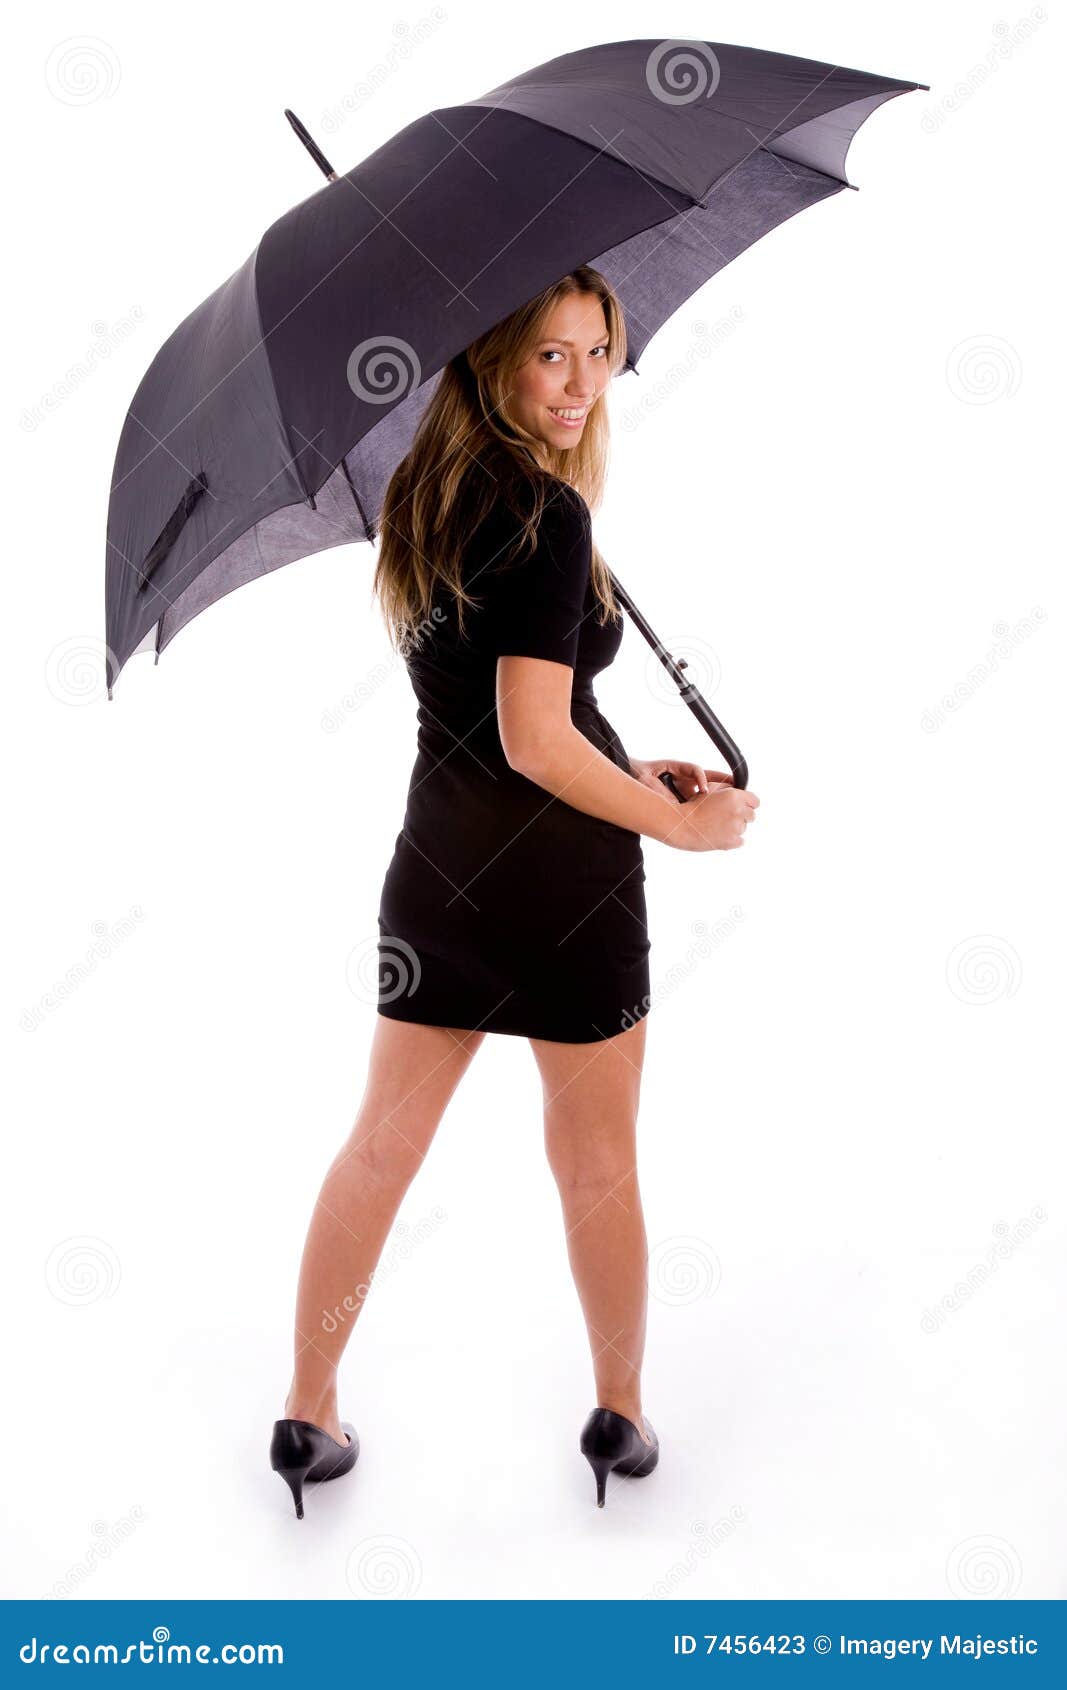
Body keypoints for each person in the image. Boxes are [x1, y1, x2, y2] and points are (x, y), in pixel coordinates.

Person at [269, 266, 759, 1517]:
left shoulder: (425, 497)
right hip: (561, 889)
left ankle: (304, 1411)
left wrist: (627, 760)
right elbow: (535, 741)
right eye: (551, 356)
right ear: (493, 361)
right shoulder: (546, 515)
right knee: (596, 1163)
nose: (583, 383)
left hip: (439, 872)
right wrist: (672, 824)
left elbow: (504, 720)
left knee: (378, 1147)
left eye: (598, 352)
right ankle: (619, 1414)